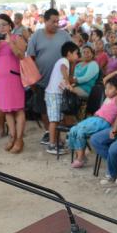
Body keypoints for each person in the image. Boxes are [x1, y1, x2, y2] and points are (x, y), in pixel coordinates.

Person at [27, 8, 73, 145]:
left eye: (57, 21)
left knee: (62, 109)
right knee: (44, 109)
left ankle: (60, 135)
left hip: (60, 82)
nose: (56, 24)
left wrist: (71, 77)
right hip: (41, 80)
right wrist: (32, 80)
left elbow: (72, 55)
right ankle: (49, 133)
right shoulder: (36, 35)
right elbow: (30, 58)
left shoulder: (64, 35)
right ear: (45, 21)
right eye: (53, 21)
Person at [0, 14, 29, 154]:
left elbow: (21, 55)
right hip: (1, 79)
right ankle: (12, 137)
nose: (1, 28)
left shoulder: (17, 38)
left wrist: (9, 41)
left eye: (4, 24)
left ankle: (19, 139)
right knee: (6, 110)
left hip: (14, 78)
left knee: (18, 109)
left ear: (10, 25)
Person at [69, 73, 117, 168]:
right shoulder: (108, 96)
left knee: (80, 132)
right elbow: (104, 80)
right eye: (106, 88)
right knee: (73, 130)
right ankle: (82, 151)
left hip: (102, 122)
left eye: (110, 88)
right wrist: (115, 72)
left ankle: (80, 158)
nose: (106, 90)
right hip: (94, 119)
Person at [42, 42, 80, 155]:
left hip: (54, 94)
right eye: (76, 53)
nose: (77, 56)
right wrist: (67, 82)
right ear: (69, 53)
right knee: (54, 120)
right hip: (54, 94)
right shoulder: (64, 61)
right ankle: (52, 145)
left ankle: (56, 141)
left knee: (57, 119)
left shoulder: (66, 62)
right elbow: (63, 70)